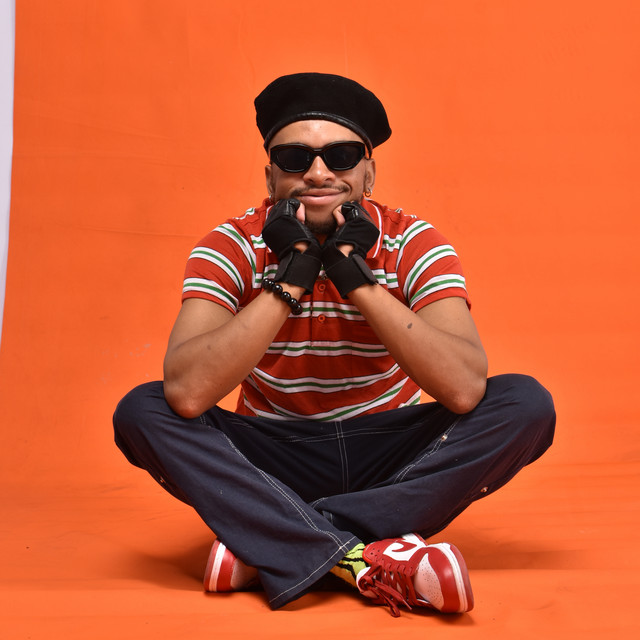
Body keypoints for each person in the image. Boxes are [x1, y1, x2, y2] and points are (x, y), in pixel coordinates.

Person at [113, 72, 555, 617]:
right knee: (143, 409)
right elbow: (186, 392)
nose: (318, 173)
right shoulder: (231, 245)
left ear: (369, 171)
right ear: (271, 174)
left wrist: (354, 276)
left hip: (389, 451)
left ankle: (272, 539)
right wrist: (293, 275)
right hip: (271, 452)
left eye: (341, 156)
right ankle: (357, 553)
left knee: (525, 402)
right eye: (295, 158)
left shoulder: (414, 242)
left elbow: (463, 388)